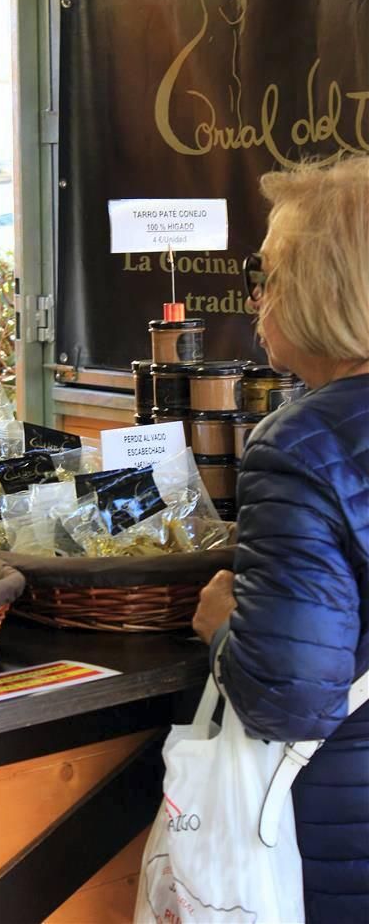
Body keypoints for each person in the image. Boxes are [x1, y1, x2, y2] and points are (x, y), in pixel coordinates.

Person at [192, 155, 369, 923]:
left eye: (268, 272)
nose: (256, 296)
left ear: (323, 287)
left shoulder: (300, 443)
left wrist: (222, 623)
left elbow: (291, 693)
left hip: (343, 834)